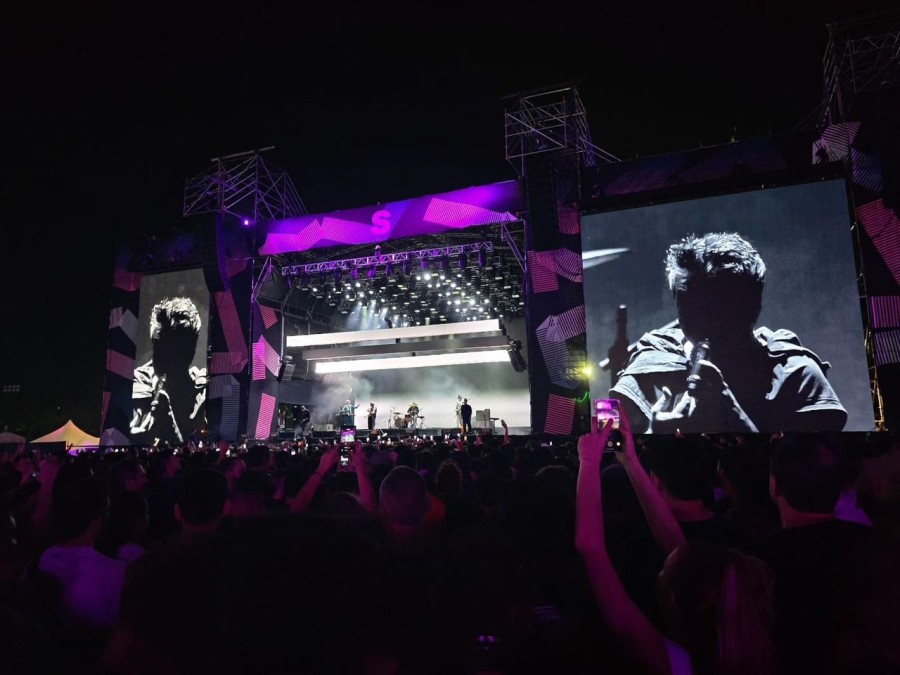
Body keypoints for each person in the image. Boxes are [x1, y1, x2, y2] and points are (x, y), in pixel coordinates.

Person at [610, 232, 847, 434]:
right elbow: (607, 433)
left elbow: (812, 473)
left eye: (718, 308)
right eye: (689, 308)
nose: (703, 321)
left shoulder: (796, 373)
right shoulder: (653, 357)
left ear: (753, 306)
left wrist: (728, 408)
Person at [130, 297, 207, 445]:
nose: (166, 356)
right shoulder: (140, 379)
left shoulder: (202, 387)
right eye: (160, 345)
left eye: (176, 348)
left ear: (191, 348)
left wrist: (170, 424)